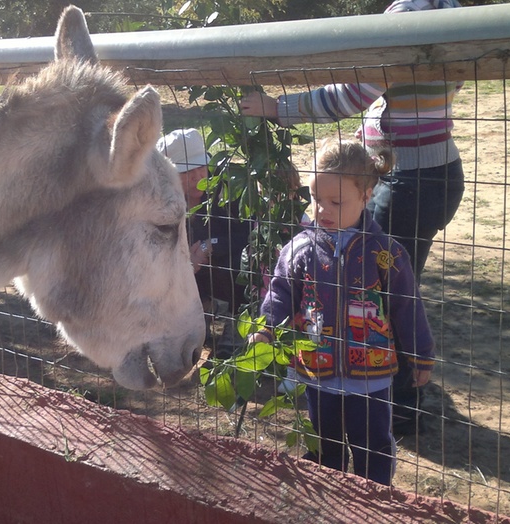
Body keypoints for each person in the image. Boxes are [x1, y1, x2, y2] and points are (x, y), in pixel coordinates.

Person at [241, 0, 464, 436]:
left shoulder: (407, 14)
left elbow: (352, 94)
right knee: (391, 276)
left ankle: (393, 403)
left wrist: (277, 108)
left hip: (410, 179)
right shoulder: (449, 8)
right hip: (436, 172)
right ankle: (395, 394)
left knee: (380, 280)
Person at [246, 139, 435, 485]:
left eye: (335, 201)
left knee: (373, 446)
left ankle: (373, 500)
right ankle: (328, 498)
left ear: (366, 195)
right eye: (316, 199)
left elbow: (406, 305)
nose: (322, 210)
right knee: (323, 447)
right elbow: (281, 291)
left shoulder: (386, 254)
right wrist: (267, 326)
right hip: (318, 371)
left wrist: (421, 355)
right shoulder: (301, 249)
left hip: (371, 376)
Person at [157, 128, 251, 359]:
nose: (199, 177)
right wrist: (182, 256)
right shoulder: (157, 197)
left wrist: (209, 246)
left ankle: (236, 320)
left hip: (224, 262)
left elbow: (247, 233)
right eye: (186, 171)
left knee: (239, 261)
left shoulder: (229, 187)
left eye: (201, 167)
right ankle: (198, 315)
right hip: (184, 270)